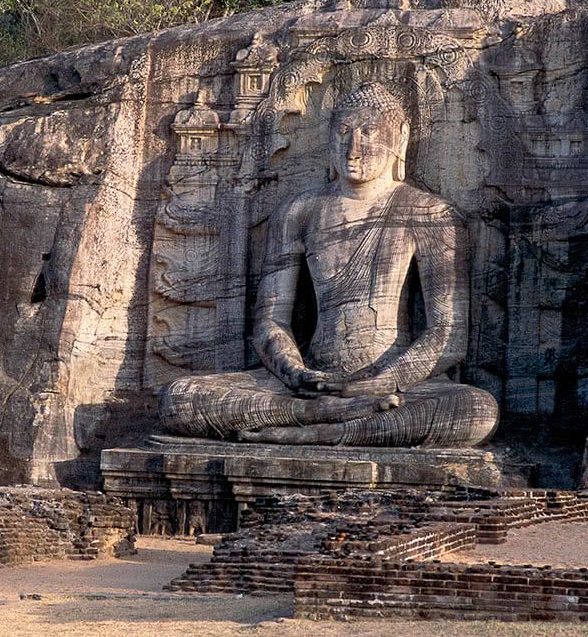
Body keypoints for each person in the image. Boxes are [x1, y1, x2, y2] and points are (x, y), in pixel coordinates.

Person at [159, 82, 498, 447]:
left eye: (368, 132)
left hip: (395, 384)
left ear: (399, 138)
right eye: (343, 132)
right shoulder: (299, 211)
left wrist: (379, 383)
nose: (353, 148)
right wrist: (297, 374)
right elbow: (270, 321)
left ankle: (333, 431)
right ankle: (317, 416)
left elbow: (447, 337)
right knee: (180, 398)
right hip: (310, 381)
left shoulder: (430, 214)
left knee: (477, 410)